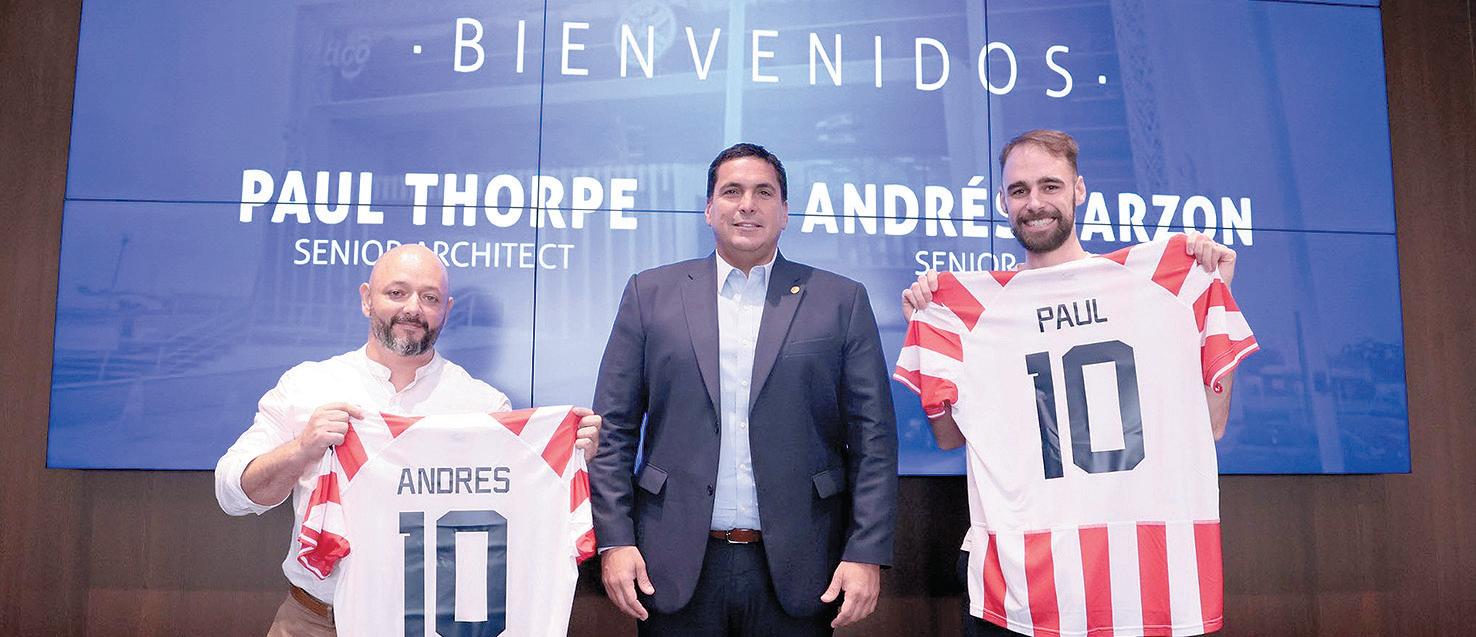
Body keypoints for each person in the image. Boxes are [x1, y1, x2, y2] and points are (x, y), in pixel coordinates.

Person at [899, 129, 1254, 636]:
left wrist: (1211, 304)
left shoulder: (1167, 289)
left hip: (1136, 577)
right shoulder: (969, 310)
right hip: (1026, 578)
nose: (1034, 202)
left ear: (1079, 190)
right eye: (1019, 190)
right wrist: (928, 327)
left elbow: (1211, 426)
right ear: (1002, 201)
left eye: (1050, 186)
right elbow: (950, 436)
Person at [590, 143, 898, 636]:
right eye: (732, 191)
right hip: (670, 564)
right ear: (709, 209)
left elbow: (873, 440)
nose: (747, 205)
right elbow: (613, 431)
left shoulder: (841, 301)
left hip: (802, 565)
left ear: (785, 211)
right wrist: (615, 541)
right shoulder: (649, 295)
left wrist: (865, 551)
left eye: (764, 193)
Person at [214, 244, 599, 636]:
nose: (413, 308)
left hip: (432, 625)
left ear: (446, 309)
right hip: (317, 622)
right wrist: (300, 450)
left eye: (429, 298)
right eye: (396, 293)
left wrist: (565, 461)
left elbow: (521, 521)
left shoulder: (484, 406)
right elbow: (233, 494)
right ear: (367, 299)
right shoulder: (309, 385)